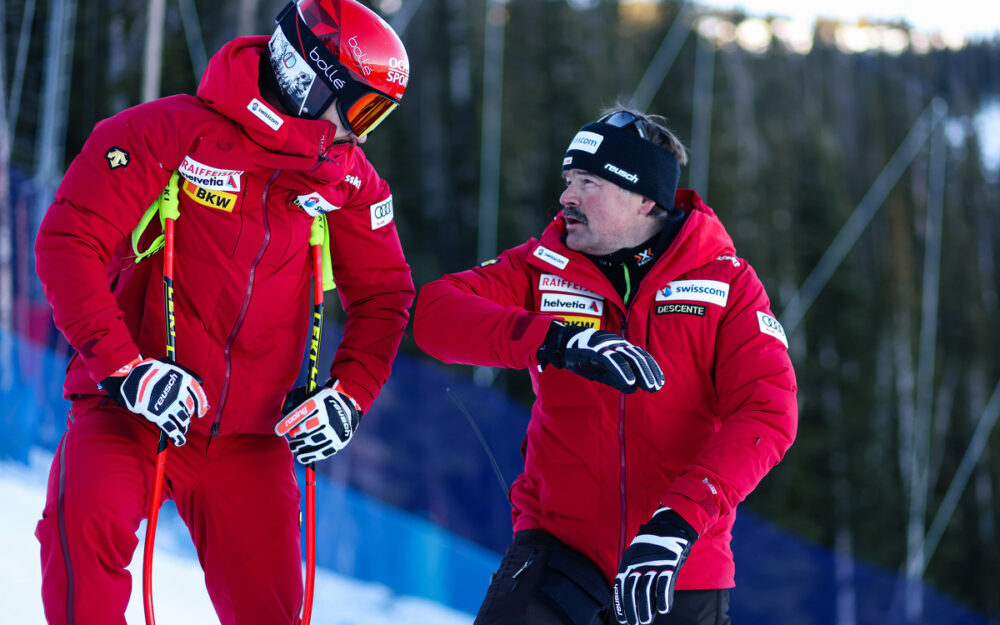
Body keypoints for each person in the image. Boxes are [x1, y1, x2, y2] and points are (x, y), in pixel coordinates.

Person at [33, 1, 414, 623]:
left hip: (251, 437)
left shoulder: (350, 182)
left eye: (380, 116)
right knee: (83, 536)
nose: (363, 133)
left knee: (272, 607)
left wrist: (348, 395)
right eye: (363, 108)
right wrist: (125, 367)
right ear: (308, 77)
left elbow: (385, 295)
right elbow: (69, 243)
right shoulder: (166, 132)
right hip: (132, 407)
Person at [413, 107, 798, 625]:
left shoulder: (727, 283)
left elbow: (768, 414)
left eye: (589, 182)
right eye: (569, 180)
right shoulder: (543, 265)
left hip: (675, 564)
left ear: (645, 199)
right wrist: (558, 341)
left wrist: (678, 521)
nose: (567, 197)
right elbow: (435, 315)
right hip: (555, 552)